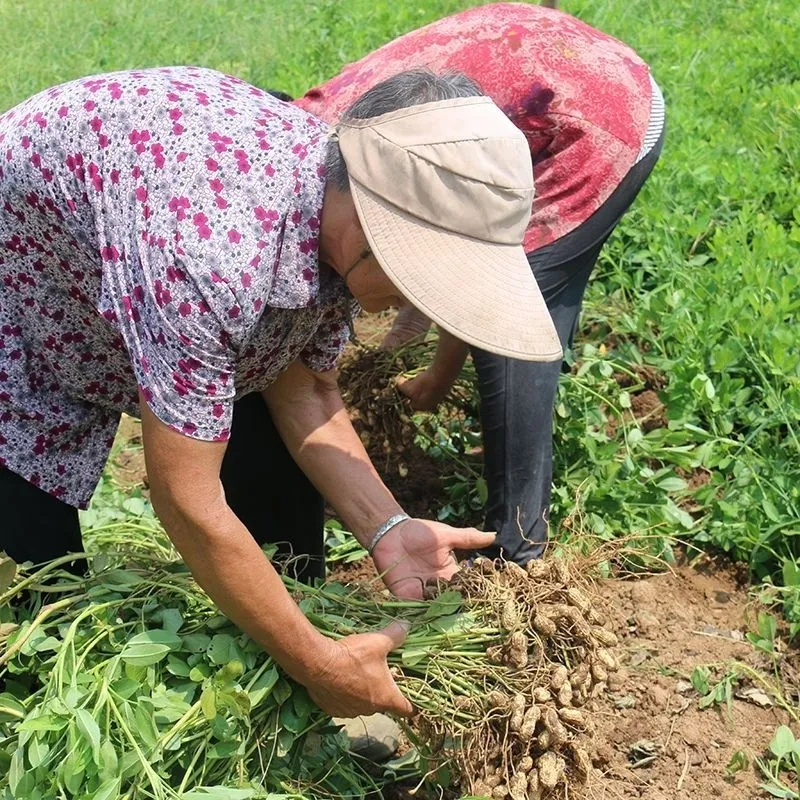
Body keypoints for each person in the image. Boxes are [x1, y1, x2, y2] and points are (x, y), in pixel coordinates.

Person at [0, 66, 561, 718]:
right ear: (370, 232)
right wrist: (315, 661)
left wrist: (387, 528)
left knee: (272, 474)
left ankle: (286, 701)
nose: (422, 307)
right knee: (38, 603)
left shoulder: (324, 205)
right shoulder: (207, 253)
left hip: (133, 243)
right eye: (424, 281)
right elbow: (186, 499)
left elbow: (307, 393)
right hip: (21, 282)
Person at [294, 3, 665, 566]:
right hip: (545, 71)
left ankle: (517, 555)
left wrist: (439, 372)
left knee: (518, 316)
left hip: (596, 117)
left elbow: (472, 270)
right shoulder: (322, 134)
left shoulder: (335, 142)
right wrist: (411, 335)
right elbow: (425, 236)